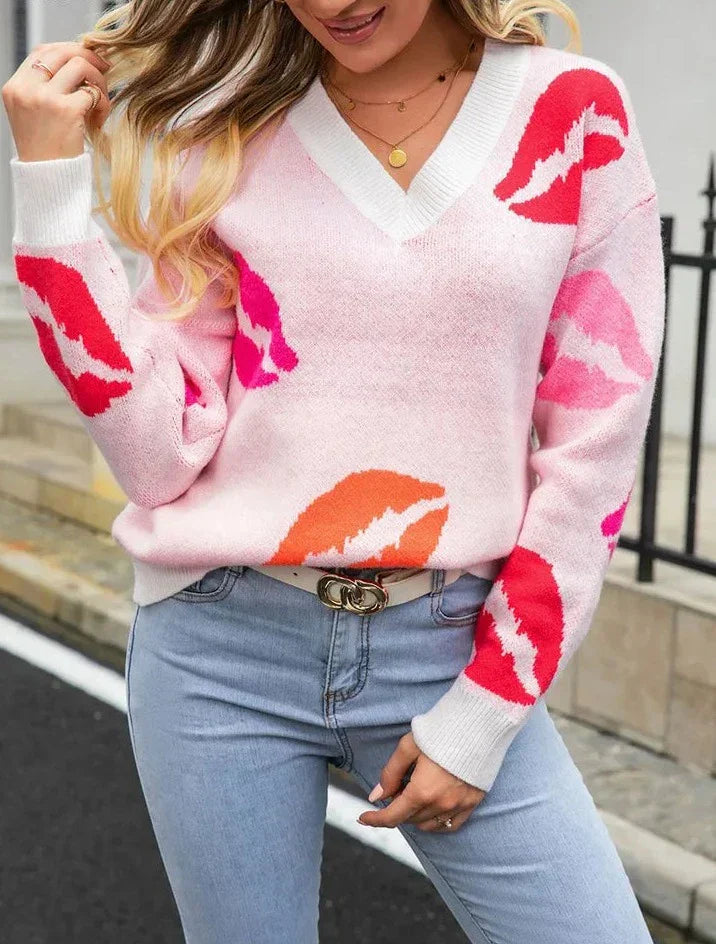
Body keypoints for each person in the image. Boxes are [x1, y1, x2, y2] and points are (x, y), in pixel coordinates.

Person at [2, 0, 665, 941]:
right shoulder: (228, 126)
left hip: (447, 643)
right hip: (218, 645)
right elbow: (156, 457)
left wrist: (488, 709)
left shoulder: (574, 114)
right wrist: (49, 187)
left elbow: (593, 451)